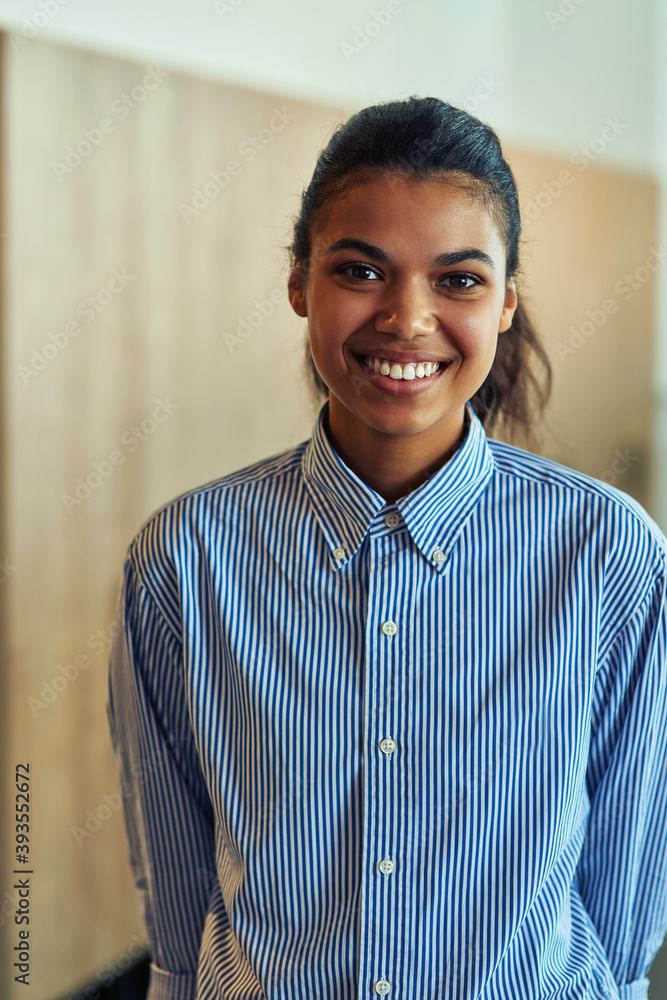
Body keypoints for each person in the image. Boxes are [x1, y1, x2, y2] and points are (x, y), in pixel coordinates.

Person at [107, 96, 667, 1000]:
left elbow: (624, 900)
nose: (407, 318)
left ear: (506, 301)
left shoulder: (607, 556)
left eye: (458, 280)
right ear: (299, 282)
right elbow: (177, 903)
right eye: (361, 269)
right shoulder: (185, 560)